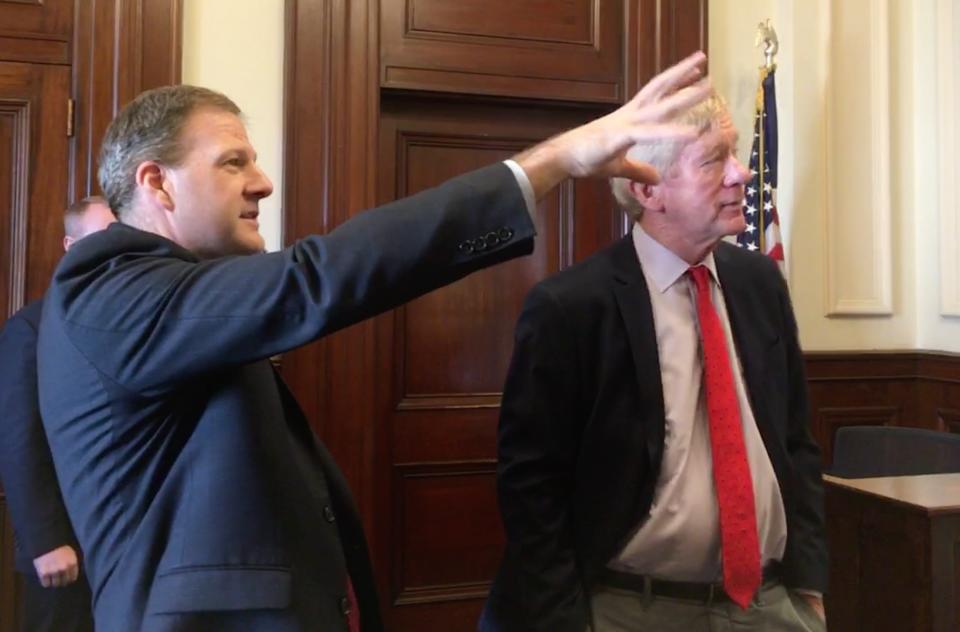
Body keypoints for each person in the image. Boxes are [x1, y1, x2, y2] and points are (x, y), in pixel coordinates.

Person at [35, 52, 711, 632]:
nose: (262, 182)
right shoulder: (108, 288)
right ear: (156, 182)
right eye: (233, 162)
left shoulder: (180, 295)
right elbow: (316, 280)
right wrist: (553, 161)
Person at [480, 92, 828, 632]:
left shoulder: (759, 285)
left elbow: (795, 441)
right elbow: (532, 488)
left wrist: (808, 586)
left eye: (734, 153)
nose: (741, 174)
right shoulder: (570, 307)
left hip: (768, 603)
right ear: (648, 190)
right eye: (714, 160)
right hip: (630, 608)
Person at [0, 195, 115, 632]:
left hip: (123, 546)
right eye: (103, 238)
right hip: (62, 550)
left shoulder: (129, 320)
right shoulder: (30, 328)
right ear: (72, 245)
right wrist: (46, 540)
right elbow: (18, 440)